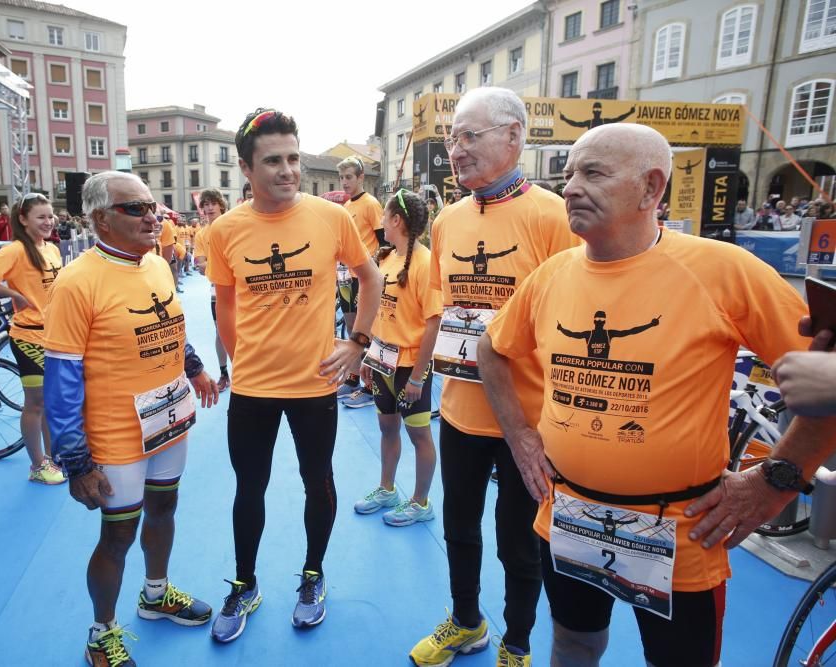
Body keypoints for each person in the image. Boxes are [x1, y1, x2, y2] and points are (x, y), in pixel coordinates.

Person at [478, 122, 835, 667]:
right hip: (568, 514)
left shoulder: (724, 271)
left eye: (593, 172)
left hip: (682, 530)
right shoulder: (550, 276)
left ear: (651, 189)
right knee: (573, 642)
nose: (570, 186)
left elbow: (828, 373)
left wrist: (779, 478)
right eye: (569, 173)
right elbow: (491, 349)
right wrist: (521, 436)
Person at [408, 87, 578, 667]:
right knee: (458, 526)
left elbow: (575, 315)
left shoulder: (555, 216)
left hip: (528, 419)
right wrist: (417, 376)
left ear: (514, 136)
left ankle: (519, 642)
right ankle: (465, 621)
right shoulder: (449, 219)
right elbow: (444, 305)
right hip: (459, 409)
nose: (456, 150)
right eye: (452, 138)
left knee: (519, 540)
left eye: (468, 136)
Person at [206, 108, 381, 642]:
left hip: (314, 385)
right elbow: (226, 306)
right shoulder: (225, 229)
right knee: (249, 488)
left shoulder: (333, 218)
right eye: (274, 161)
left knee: (317, 481)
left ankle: (312, 573)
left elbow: (371, 279)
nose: (288, 170)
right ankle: (244, 582)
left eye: (293, 159)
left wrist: (357, 344)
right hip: (254, 389)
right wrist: (242, 361)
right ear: (245, 167)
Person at [44, 171, 219, 666]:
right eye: (137, 209)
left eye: (154, 207)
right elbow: (61, 379)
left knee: (165, 509)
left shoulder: (157, 265)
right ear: (101, 218)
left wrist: (195, 368)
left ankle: (155, 594)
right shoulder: (77, 281)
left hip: (168, 418)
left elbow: (167, 323)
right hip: (116, 433)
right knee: (118, 533)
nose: (154, 217)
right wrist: (76, 461)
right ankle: (102, 633)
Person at [354, 189, 442, 527]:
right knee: (386, 426)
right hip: (382, 363)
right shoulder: (386, 259)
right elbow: (380, 315)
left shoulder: (425, 264)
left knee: (419, 435)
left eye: (384, 216)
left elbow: (434, 323)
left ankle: (421, 502)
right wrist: (367, 356)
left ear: (396, 220)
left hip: (410, 367)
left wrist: (419, 376)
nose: (380, 223)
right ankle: (387, 489)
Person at [0, 193, 65, 485]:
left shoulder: (51, 250)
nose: (48, 222)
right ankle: (37, 465)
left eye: (50, 216)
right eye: (40, 217)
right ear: (23, 220)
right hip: (28, 337)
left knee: (50, 401)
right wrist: (13, 294)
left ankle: (52, 457)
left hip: (54, 335)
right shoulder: (17, 250)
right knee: (36, 403)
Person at [336, 155, 385, 409]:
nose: (344, 182)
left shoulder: (371, 204)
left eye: (349, 177)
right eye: (342, 177)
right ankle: (354, 379)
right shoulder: (344, 208)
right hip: (345, 276)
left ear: (361, 177)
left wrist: (372, 264)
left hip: (364, 277)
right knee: (350, 326)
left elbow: (384, 242)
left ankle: (371, 385)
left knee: (367, 330)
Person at [192, 188, 231, 392]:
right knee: (221, 332)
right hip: (217, 291)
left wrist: (211, 266)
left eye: (212, 203)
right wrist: (217, 267)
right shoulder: (201, 234)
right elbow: (200, 265)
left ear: (221, 205)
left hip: (242, 290)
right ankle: (224, 373)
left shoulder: (233, 226)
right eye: (205, 204)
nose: (208, 208)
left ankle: (249, 373)